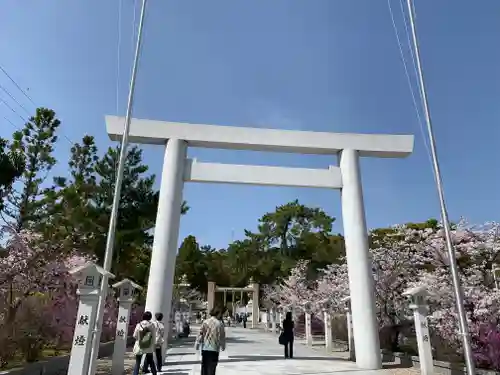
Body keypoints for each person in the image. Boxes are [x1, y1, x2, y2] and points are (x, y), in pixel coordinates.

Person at [197, 307, 226, 375]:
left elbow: (200, 333)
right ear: (218, 313)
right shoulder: (220, 324)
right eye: (220, 313)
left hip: (205, 348)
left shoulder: (205, 322)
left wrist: (198, 343)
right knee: (212, 368)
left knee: (204, 367)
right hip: (214, 348)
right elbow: (222, 337)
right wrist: (223, 346)